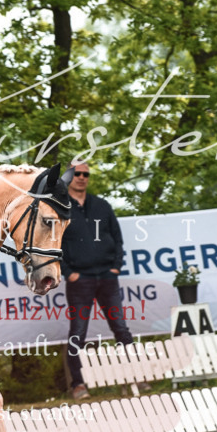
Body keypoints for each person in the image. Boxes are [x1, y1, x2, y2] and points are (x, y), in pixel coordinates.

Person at [61, 162, 137, 399]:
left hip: (107, 277)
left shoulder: (102, 206)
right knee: (78, 333)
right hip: (79, 280)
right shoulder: (59, 208)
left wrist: (115, 267)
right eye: (77, 174)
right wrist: (68, 272)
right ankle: (78, 384)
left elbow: (118, 239)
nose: (82, 177)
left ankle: (135, 377)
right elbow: (52, 245)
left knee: (121, 329)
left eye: (85, 174)